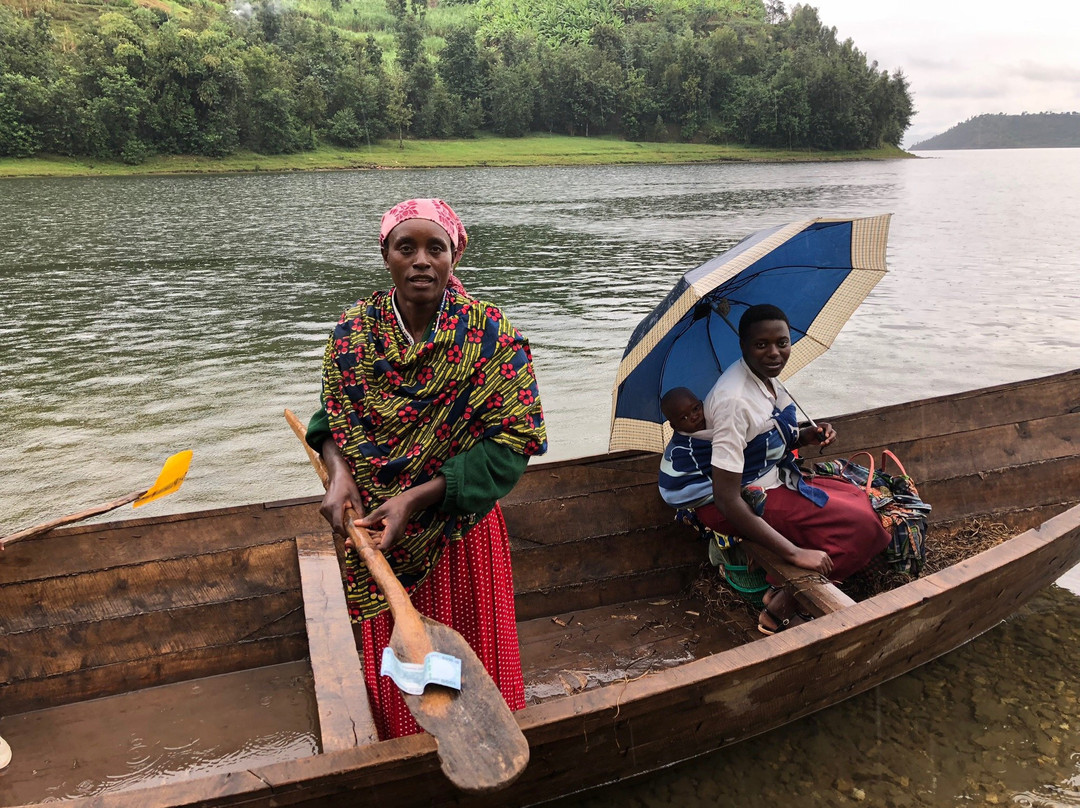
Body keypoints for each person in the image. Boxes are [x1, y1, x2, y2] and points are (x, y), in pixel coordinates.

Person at [305, 198, 547, 739]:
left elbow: (512, 445)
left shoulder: (490, 336)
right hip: (374, 537)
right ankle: (406, 747)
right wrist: (339, 472)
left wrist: (417, 498)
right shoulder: (352, 337)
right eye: (405, 247)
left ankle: (485, 740)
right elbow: (330, 418)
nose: (420, 260)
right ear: (385, 255)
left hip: (458, 530)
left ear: (454, 256)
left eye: (435, 248)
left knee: (471, 657)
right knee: (404, 671)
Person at [661, 304, 890, 635]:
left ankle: (780, 586)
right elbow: (726, 498)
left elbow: (765, 432)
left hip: (765, 477)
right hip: (736, 499)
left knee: (855, 498)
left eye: (781, 342)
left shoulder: (766, 379)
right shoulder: (733, 402)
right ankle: (782, 608)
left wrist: (808, 435)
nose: (774, 353)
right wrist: (795, 553)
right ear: (743, 346)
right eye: (761, 345)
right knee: (861, 525)